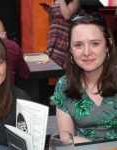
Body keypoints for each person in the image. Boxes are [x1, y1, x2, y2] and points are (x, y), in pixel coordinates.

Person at [51, 12, 117, 143]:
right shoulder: (64, 85)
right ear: (70, 49)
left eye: (94, 43)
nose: (87, 52)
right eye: (79, 45)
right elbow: (67, 139)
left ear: (108, 45)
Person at [40, 0, 80, 68]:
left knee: (62, 63)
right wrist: (49, 12)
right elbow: (52, 18)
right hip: (54, 34)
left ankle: (65, 78)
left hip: (64, 34)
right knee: (52, 63)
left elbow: (67, 16)